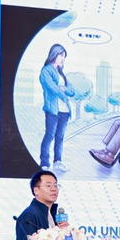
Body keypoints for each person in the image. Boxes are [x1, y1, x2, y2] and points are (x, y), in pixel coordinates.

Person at [39, 44, 75, 173]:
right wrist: (63, 93)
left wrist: (63, 88)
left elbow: (72, 91)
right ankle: (44, 163)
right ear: (54, 54)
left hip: (64, 111)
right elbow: (52, 88)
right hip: (53, 109)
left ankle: (57, 162)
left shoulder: (61, 73)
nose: (63, 59)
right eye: (61, 55)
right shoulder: (46, 70)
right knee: (49, 135)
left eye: (64, 56)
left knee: (60, 137)